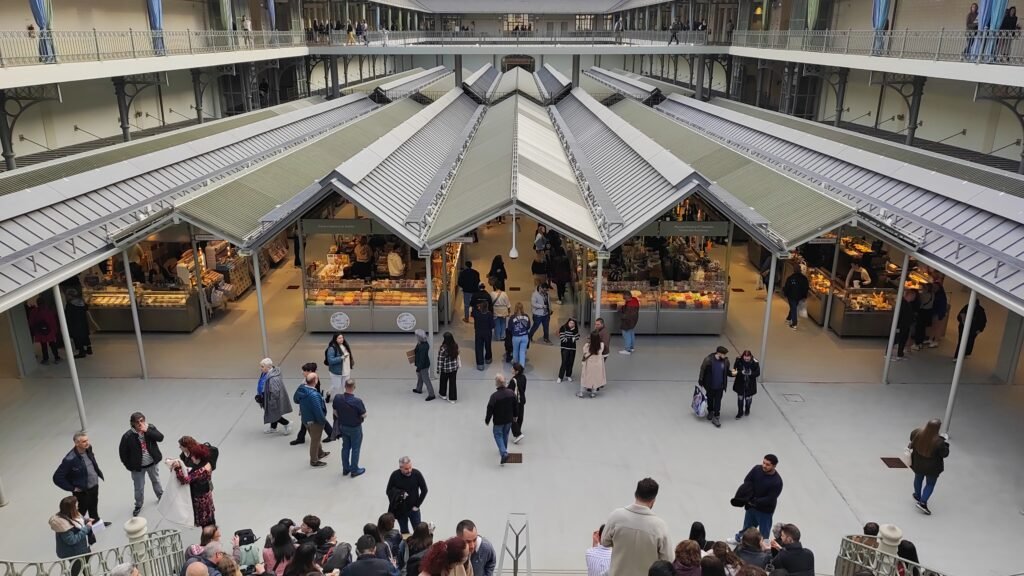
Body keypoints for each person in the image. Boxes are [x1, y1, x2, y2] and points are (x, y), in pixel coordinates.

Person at [601, 478, 672, 575]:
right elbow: (668, 559)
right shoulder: (660, 526)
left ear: (635, 494)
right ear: (653, 500)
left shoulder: (616, 517)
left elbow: (604, 542)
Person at [53, 432, 108, 526]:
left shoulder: (88, 448)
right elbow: (57, 477)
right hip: (82, 490)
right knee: (81, 510)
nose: (87, 443)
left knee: (93, 504)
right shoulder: (70, 459)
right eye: (84, 441)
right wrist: (73, 488)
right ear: (77, 443)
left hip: (93, 484)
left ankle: (96, 522)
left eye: (87, 440)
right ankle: (76, 528)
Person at [118, 412, 165, 517]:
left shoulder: (150, 428)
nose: (140, 423)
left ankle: (161, 496)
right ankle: (138, 505)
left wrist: (147, 431)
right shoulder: (127, 436)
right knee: (139, 487)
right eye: (137, 422)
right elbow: (123, 453)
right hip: (138, 468)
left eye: (142, 420)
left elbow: (160, 437)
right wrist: (130, 466)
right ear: (132, 424)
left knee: (156, 480)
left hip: (152, 463)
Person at [733, 455, 783, 542]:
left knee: (764, 533)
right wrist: (748, 496)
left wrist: (754, 501)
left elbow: (770, 498)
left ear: (774, 466)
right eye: (763, 463)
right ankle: (740, 539)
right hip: (751, 506)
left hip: (765, 511)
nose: (764, 465)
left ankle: (763, 549)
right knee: (747, 528)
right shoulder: (756, 469)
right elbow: (747, 480)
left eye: (768, 464)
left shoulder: (777, 481)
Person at [908, 418, 949, 515]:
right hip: (932, 468)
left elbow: (911, 438)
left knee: (918, 478)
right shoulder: (939, 442)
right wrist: (946, 445)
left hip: (918, 464)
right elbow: (944, 454)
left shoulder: (917, 433)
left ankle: (917, 495)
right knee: (930, 484)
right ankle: (923, 502)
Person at [172, 442, 216, 527]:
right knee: (209, 517)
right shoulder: (204, 464)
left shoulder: (202, 470)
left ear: (198, 457)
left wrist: (178, 468)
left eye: (193, 456)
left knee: (206, 521)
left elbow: (186, 479)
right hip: (205, 495)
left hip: (201, 499)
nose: (191, 458)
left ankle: (209, 535)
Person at [294, 372, 331, 468]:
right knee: (315, 440)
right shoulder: (314, 395)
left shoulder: (301, 389)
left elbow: (296, 399)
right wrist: (323, 421)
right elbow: (317, 410)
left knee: (316, 438)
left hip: (305, 419)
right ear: (315, 381)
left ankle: (321, 453)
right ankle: (314, 460)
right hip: (315, 422)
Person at [50, 496, 94, 576]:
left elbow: (79, 521)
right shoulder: (62, 524)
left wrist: (86, 521)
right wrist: (87, 527)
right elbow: (72, 540)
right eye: (76, 503)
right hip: (75, 553)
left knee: (87, 567)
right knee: (76, 570)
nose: (78, 504)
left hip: (84, 548)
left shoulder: (74, 513)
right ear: (71, 507)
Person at [292, 363, 332, 446]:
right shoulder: (310, 379)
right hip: (309, 405)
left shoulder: (312, 381)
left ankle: (331, 434)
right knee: (305, 421)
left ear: (309, 371)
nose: (302, 372)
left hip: (311, 405)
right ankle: (300, 437)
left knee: (318, 419)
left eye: (304, 371)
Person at [386, 456, 428, 534]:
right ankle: (407, 545)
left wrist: (417, 505)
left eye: (410, 467)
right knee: (404, 531)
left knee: (418, 530)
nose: (409, 470)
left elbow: (424, 490)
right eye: (406, 469)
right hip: (401, 510)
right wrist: (399, 495)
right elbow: (388, 491)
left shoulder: (416, 474)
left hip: (414, 510)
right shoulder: (394, 475)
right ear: (400, 467)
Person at [334, 379, 367, 477]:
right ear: (354, 387)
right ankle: (354, 470)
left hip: (343, 426)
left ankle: (345, 468)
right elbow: (364, 415)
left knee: (345, 447)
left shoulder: (337, 398)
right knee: (355, 448)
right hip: (355, 428)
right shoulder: (357, 401)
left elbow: (335, 411)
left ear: (345, 386)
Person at [485, 374, 519, 466]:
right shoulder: (511, 393)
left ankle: (504, 453)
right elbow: (515, 405)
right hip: (508, 420)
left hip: (498, 421)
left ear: (497, 384)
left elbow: (490, 409)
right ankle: (503, 449)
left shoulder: (494, 396)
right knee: (505, 434)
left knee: (497, 435)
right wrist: (515, 416)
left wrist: (487, 420)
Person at [698, 346, 731, 427]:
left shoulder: (726, 361)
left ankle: (716, 416)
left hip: (720, 386)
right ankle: (710, 411)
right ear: (719, 353)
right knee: (710, 399)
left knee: (718, 401)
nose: (725, 356)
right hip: (710, 385)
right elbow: (702, 369)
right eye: (723, 354)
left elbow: (727, 372)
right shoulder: (708, 360)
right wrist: (701, 380)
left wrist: (733, 374)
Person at [258, 358, 292, 434]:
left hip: (270, 399)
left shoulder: (273, 378)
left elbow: (275, 392)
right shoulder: (265, 373)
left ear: (269, 367)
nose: (260, 368)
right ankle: (273, 427)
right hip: (265, 396)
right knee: (272, 413)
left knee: (273, 413)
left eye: (262, 366)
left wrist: (272, 402)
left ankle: (286, 423)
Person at [28, 296, 60, 364]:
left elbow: (31, 322)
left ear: (37, 303)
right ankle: (57, 357)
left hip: (40, 332)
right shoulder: (48, 310)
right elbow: (53, 321)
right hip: (50, 331)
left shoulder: (34, 311)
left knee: (43, 345)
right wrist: (55, 330)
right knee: (52, 344)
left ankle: (46, 359)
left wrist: (34, 331)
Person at [732, 351, 760, 419]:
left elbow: (757, 373)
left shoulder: (755, 362)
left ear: (750, 356)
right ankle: (740, 412)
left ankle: (747, 409)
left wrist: (751, 373)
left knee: (748, 399)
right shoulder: (738, 360)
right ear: (743, 356)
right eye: (745, 357)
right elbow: (734, 371)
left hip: (750, 384)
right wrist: (741, 372)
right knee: (740, 398)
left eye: (748, 357)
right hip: (740, 383)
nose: (746, 358)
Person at [892, 289, 919, 361]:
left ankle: (900, 354)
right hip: (901, 325)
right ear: (909, 295)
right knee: (895, 340)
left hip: (906, 325)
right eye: (913, 296)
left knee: (903, 340)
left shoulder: (908, 303)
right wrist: (897, 326)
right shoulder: (902, 303)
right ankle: (888, 354)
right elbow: (899, 315)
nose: (914, 298)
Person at [64, 288, 91, 358]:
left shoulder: (70, 305)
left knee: (78, 337)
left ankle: (81, 352)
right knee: (85, 335)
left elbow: (68, 316)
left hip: (75, 324)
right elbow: (86, 308)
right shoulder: (81, 302)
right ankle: (89, 349)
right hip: (83, 321)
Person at [327, 333, 355, 399]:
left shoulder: (345, 345)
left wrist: (351, 363)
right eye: (339, 338)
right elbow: (330, 361)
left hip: (346, 370)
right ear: (335, 339)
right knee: (336, 386)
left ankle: (345, 399)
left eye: (342, 337)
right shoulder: (332, 348)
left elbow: (349, 356)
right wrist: (341, 358)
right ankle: (329, 393)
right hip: (336, 372)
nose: (341, 339)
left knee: (346, 386)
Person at [579, 332, 606, 399]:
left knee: (585, 377)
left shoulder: (587, 345)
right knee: (595, 377)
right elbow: (601, 351)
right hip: (598, 364)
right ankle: (593, 393)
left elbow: (584, 351)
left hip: (589, 363)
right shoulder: (601, 344)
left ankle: (581, 392)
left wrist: (587, 342)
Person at [437, 332, 461, 404]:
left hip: (445, 369)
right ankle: (452, 398)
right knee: (452, 383)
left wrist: (438, 369)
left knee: (443, 381)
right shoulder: (455, 345)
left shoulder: (443, 348)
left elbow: (440, 360)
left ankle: (443, 394)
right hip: (454, 369)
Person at [412, 329, 436, 400]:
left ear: (419, 336)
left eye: (417, 335)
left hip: (423, 366)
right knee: (420, 377)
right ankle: (418, 389)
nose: (416, 337)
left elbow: (422, 359)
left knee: (426, 379)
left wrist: (419, 367)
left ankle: (432, 395)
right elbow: (416, 350)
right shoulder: (421, 343)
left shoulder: (423, 346)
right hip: (423, 364)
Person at [508, 362, 527, 444]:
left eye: (512, 368)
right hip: (522, 400)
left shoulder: (513, 380)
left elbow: (509, 392)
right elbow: (524, 388)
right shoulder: (524, 377)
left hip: (515, 402)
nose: (511, 369)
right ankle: (518, 430)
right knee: (520, 416)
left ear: (517, 371)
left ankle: (518, 434)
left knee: (511, 417)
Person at [912, 283, 935, 351]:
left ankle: (917, 343)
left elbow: (919, 303)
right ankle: (921, 342)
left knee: (918, 328)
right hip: (928, 312)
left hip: (922, 312)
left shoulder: (923, 295)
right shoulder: (932, 294)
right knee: (923, 328)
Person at [556, 317, 580, 383]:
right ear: (568, 322)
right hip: (565, 348)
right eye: (570, 323)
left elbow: (577, 337)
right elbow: (563, 339)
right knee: (564, 362)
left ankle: (568, 375)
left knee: (571, 362)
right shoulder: (563, 328)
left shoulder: (575, 329)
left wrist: (570, 338)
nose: (571, 324)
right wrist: (572, 338)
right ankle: (560, 377)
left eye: (573, 323)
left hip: (573, 348)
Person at [472, 301, 494, 370]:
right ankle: (488, 358)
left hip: (478, 333)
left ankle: (480, 364)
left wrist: (477, 305)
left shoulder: (476, 314)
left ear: (480, 307)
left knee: (479, 348)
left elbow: (473, 308)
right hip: (487, 333)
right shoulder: (489, 314)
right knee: (488, 345)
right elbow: (493, 325)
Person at [927, 279, 948, 347]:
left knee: (937, 327)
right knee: (933, 326)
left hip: (938, 313)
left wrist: (940, 315)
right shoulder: (937, 294)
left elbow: (942, 306)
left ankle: (936, 341)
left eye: (935, 287)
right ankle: (930, 339)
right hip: (935, 312)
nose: (934, 288)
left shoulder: (940, 296)